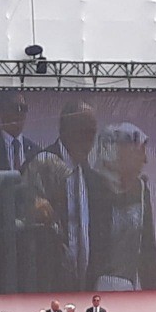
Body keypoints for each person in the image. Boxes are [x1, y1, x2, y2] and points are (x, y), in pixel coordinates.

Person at [22, 100, 113, 291]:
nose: (88, 141)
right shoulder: (40, 165)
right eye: (82, 131)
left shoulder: (95, 181)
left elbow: (102, 239)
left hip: (87, 286)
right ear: (65, 130)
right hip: (47, 284)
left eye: (92, 133)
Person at [93, 123, 156, 291]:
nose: (145, 160)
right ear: (120, 152)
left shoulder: (141, 190)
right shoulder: (90, 187)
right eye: (139, 151)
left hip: (126, 294)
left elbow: (147, 252)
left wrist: (152, 299)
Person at [0, 90, 39, 194]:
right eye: (14, 108)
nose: (19, 113)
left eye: (23, 109)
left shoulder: (35, 151)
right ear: (0, 111)